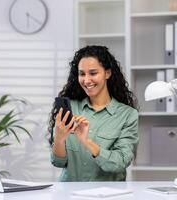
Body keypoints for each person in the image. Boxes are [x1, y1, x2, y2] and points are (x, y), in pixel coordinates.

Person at [48, 45, 139, 181]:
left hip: (107, 194)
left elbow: (120, 163)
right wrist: (59, 139)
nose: (86, 80)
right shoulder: (70, 109)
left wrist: (87, 142)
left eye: (93, 73)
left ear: (107, 73)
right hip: (68, 193)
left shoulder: (127, 115)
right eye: (82, 74)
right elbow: (58, 162)